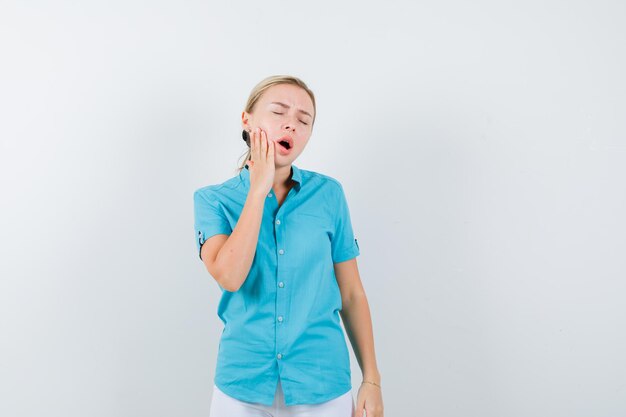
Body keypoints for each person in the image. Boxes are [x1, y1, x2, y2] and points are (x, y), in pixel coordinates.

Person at [193, 75, 384, 417]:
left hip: (323, 385)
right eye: (279, 112)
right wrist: (258, 189)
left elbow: (352, 293)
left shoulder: (329, 195)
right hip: (241, 386)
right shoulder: (213, 201)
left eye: (303, 120)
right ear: (247, 119)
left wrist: (371, 379)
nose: (291, 125)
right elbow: (230, 277)